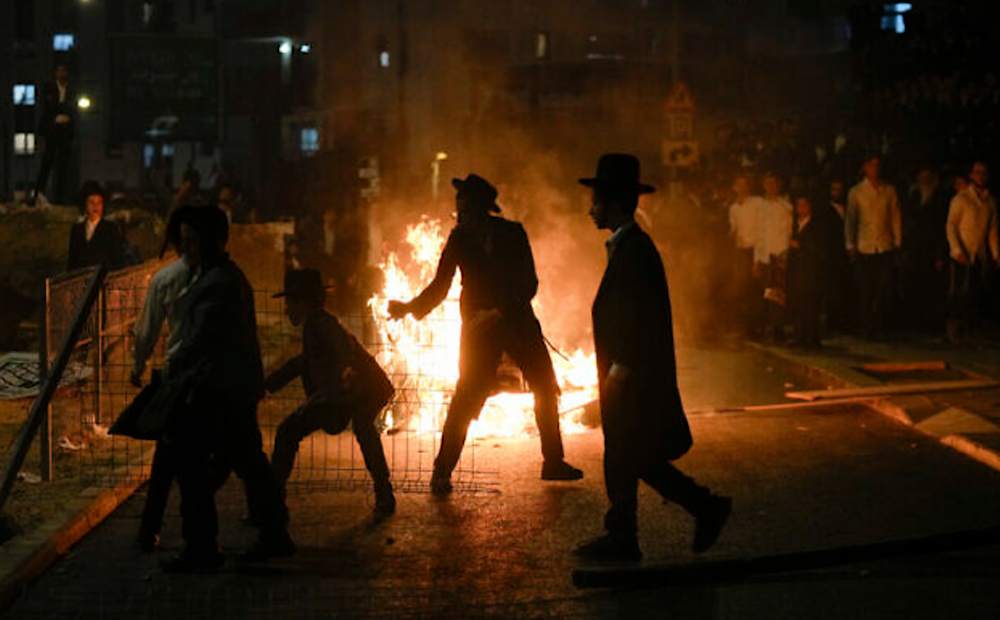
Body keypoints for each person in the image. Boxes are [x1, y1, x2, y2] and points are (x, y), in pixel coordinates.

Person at [573, 153, 731, 562]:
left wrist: (618, 372)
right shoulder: (626, 247)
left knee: (630, 453)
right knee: (630, 454)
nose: (590, 208)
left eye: (597, 200)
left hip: (634, 379)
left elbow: (641, 318)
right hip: (628, 376)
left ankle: (692, 511)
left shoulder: (636, 250)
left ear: (616, 203)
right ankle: (652, 524)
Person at [388, 174, 582, 494]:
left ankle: (553, 461)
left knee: (545, 386)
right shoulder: (458, 240)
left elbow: (529, 282)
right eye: (458, 212)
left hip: (517, 321)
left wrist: (500, 312)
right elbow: (440, 285)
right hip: (479, 331)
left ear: (483, 210)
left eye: (465, 211)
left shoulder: (513, 234)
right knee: (466, 396)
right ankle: (442, 471)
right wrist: (409, 307)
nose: (460, 217)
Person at [161, 206, 293, 572]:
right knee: (249, 462)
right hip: (229, 386)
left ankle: (203, 547)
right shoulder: (218, 275)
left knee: (192, 464)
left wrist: (173, 365)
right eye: (182, 240)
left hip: (218, 388)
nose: (185, 248)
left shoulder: (218, 282)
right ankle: (273, 533)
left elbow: (200, 338)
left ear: (213, 241)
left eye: (191, 240)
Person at [265, 269, 396, 519]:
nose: (286, 309)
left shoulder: (319, 325)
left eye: (289, 302)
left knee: (360, 427)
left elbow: (342, 360)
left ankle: (271, 507)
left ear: (302, 303)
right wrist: (270, 384)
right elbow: (305, 362)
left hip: (363, 388)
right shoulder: (317, 323)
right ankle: (384, 494)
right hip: (355, 388)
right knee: (357, 428)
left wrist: (325, 397)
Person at [130, 205, 198, 552]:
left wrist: (137, 366)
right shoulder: (216, 276)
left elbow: (146, 332)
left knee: (172, 456)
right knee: (185, 455)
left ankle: (155, 529)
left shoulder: (167, 278)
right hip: (207, 376)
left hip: (179, 376)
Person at [845, 155, 902, 339]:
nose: (875, 169)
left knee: (884, 288)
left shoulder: (889, 190)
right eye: (871, 165)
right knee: (866, 289)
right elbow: (851, 220)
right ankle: (866, 326)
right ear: (865, 168)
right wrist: (850, 244)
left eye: (878, 165)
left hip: (884, 245)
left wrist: (898, 241)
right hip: (864, 246)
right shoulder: (857, 192)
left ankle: (881, 326)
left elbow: (895, 216)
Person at [945, 161, 999, 343]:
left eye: (984, 173)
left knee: (974, 294)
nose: (981, 176)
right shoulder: (961, 199)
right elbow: (951, 225)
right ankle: (954, 330)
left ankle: (969, 331)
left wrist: (996, 253)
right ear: (971, 175)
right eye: (977, 172)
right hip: (961, 254)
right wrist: (956, 249)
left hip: (979, 254)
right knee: (958, 293)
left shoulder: (990, 201)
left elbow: (992, 230)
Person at [753, 172, 793, 342]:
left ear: (779, 185)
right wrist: (755, 259)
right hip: (764, 256)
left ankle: (778, 330)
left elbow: (788, 232)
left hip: (779, 256)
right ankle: (763, 328)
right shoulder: (760, 207)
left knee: (778, 296)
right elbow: (758, 234)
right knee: (764, 295)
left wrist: (784, 256)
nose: (770, 187)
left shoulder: (785, 207)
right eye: (767, 184)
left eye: (773, 184)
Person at [32, 63, 75, 206]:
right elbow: (46, 108)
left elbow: (75, 107)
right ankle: (38, 194)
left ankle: (61, 198)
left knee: (64, 165)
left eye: (64, 71)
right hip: (52, 131)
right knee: (47, 162)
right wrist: (55, 118)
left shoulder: (72, 89)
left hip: (66, 131)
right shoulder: (48, 88)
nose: (62, 74)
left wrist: (68, 117)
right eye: (59, 71)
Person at [727, 174, 762, 336]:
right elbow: (733, 229)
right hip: (740, 252)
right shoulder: (733, 208)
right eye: (738, 185)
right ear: (734, 188)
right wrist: (732, 235)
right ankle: (742, 326)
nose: (741, 188)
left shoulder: (757, 203)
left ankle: (755, 327)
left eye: (744, 185)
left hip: (755, 250)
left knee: (754, 290)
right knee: (740, 289)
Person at [788, 196, 825, 347]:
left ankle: (812, 337)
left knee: (810, 305)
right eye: (799, 206)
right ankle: (800, 336)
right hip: (798, 272)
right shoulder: (795, 225)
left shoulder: (815, 226)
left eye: (805, 205)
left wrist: (800, 246)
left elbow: (817, 249)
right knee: (799, 304)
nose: (801, 209)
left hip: (811, 272)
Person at [66, 181, 124, 271]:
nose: (95, 206)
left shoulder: (110, 229)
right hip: (81, 279)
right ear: (85, 205)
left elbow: (117, 260)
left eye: (99, 203)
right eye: (91, 202)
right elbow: (72, 261)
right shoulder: (77, 229)